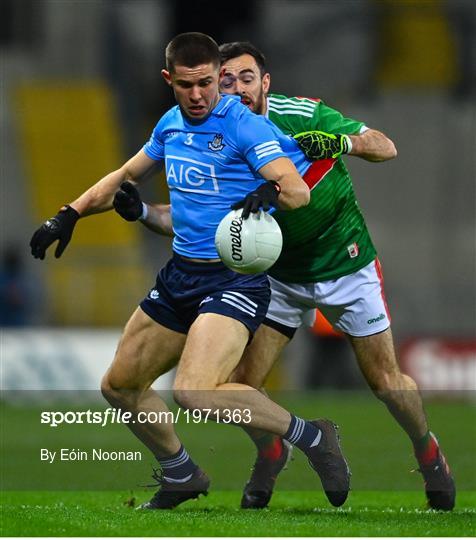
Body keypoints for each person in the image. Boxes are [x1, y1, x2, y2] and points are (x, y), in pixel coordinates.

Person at [120, 41, 455, 512]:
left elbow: (387, 146)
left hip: (345, 264)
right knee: (240, 383)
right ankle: (271, 451)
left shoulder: (302, 115)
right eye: (228, 80)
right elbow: (203, 221)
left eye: (246, 78)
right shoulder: (222, 133)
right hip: (275, 274)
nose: (236, 89)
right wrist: (144, 214)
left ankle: (427, 450)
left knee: (384, 381)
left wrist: (344, 143)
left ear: (266, 83)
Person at [29, 33, 351, 510]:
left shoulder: (244, 126)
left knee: (194, 391)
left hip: (235, 279)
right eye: (186, 85)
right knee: (118, 386)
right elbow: (123, 177)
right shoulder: (170, 125)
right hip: (180, 274)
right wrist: (69, 214)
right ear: (169, 81)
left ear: (217, 80)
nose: (198, 95)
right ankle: (182, 475)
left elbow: (297, 189)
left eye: (206, 84)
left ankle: (313, 437)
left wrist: (272, 191)